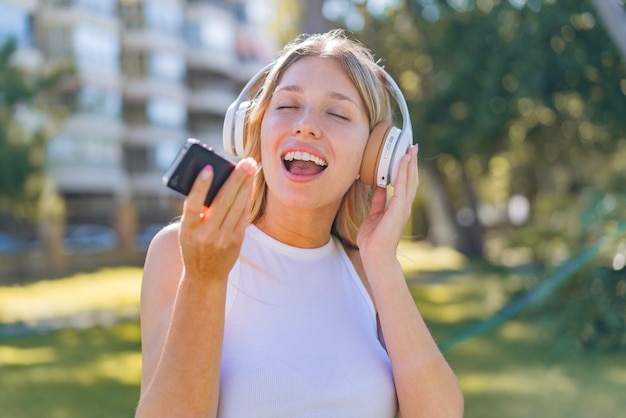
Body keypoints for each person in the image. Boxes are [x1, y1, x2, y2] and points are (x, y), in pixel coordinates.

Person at [135, 29, 463, 418]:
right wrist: (205, 280)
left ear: (375, 158)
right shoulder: (180, 254)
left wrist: (383, 264)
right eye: (287, 106)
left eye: (338, 113)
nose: (306, 125)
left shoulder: (368, 271)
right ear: (252, 130)